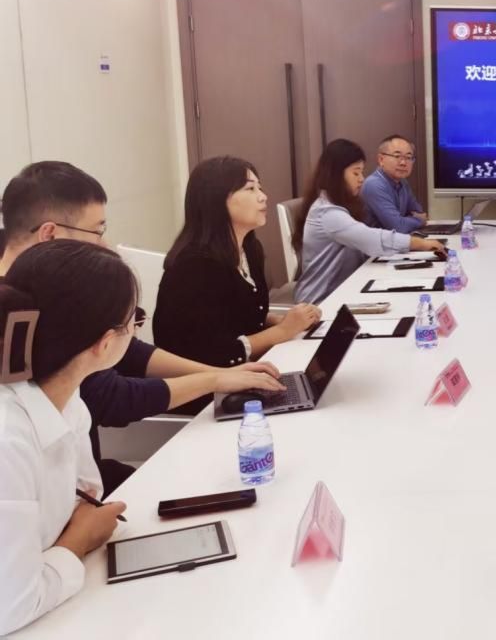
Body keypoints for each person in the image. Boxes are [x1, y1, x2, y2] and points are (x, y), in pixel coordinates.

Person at [0, 162, 284, 493]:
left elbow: (128, 353)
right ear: (50, 234)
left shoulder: (45, 285)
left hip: (79, 477)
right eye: (97, 231)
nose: (106, 245)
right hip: (44, 490)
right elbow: (108, 395)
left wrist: (218, 375)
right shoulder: (18, 314)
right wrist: (215, 379)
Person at [0, 240, 135, 633]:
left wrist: (68, 541)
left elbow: (85, 495)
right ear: (105, 344)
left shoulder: (66, 398)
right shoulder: (9, 439)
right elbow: (11, 606)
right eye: (136, 320)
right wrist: (78, 540)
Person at [155, 156, 323, 371]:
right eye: (250, 189)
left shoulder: (250, 249)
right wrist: (283, 331)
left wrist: (283, 321)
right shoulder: (194, 265)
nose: (263, 196)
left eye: (260, 188)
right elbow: (214, 352)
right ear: (216, 199)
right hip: (202, 382)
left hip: (244, 370)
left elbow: (239, 317)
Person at [295, 139, 447, 305]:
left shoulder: (341, 204)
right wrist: (420, 243)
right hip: (321, 302)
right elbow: (370, 238)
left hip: (348, 287)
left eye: (361, 172)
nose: (362, 179)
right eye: (356, 173)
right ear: (336, 175)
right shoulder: (327, 213)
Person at [361, 134, 428, 233]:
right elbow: (398, 227)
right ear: (381, 159)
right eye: (397, 156)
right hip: (375, 242)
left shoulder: (402, 182)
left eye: (408, 157)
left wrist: (408, 220)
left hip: (395, 240)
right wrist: (419, 220)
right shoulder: (374, 184)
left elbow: (418, 211)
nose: (403, 163)